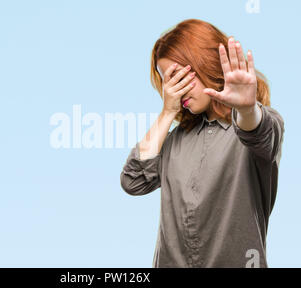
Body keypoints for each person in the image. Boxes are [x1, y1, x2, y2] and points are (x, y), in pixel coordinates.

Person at [120, 19, 285, 268]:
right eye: (168, 81)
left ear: (204, 64)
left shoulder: (256, 126)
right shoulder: (175, 140)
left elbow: (259, 132)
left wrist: (247, 108)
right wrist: (167, 113)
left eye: (179, 76)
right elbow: (133, 181)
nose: (175, 89)